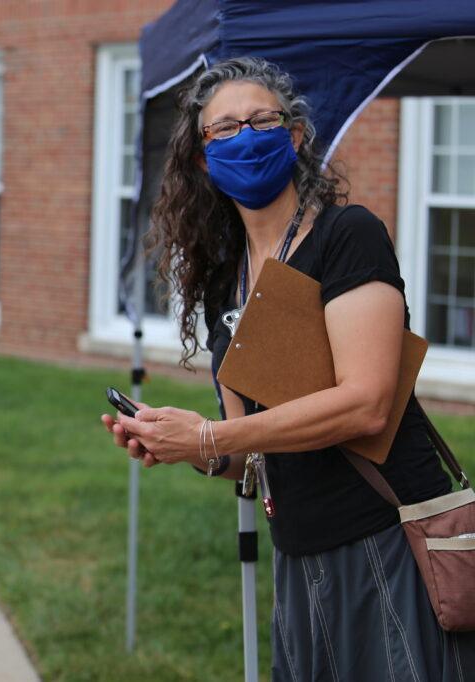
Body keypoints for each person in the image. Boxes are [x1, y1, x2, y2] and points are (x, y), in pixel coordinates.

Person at [101, 57, 475, 681]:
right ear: (201, 158)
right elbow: (252, 451)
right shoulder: (227, 281)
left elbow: (367, 403)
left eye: (261, 120)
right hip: (299, 557)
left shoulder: (346, 236)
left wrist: (210, 436)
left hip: (386, 536)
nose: (245, 137)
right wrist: (186, 444)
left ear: (295, 135)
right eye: (224, 129)